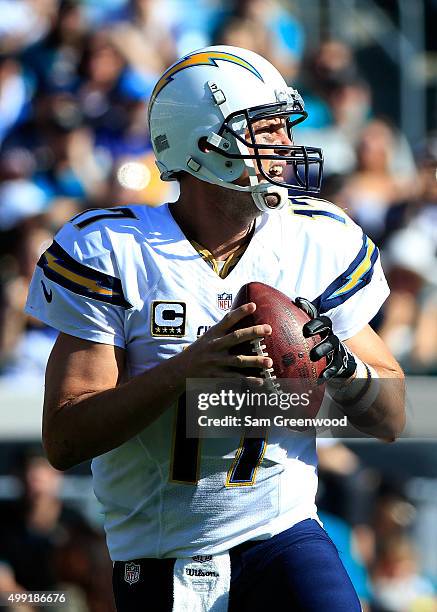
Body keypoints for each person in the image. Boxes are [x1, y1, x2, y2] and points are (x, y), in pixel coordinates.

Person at [25, 45, 405, 611]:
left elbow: (392, 417)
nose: (284, 147)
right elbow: (65, 436)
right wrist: (187, 371)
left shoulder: (315, 239)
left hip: (284, 532)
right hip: (159, 550)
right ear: (203, 145)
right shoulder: (114, 249)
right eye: (265, 130)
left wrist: (345, 371)